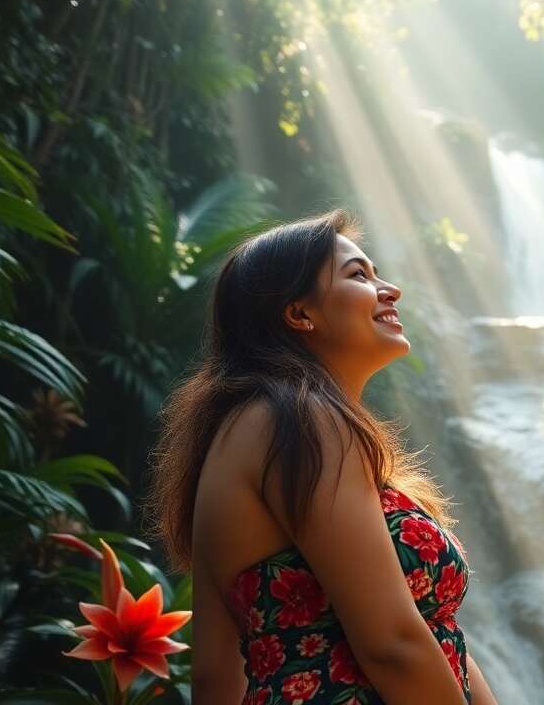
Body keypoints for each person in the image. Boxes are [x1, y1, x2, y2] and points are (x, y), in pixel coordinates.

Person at [145, 209, 498, 704]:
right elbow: (393, 645)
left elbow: (214, 678)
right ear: (299, 313)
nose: (391, 290)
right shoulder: (299, 417)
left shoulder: (243, 431)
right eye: (359, 275)